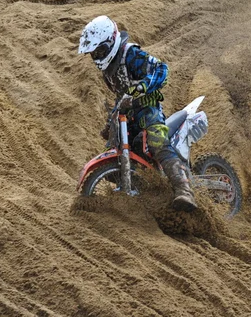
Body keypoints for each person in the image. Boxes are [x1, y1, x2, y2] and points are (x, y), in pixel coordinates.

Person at [78, 15, 197, 212]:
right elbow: (121, 96)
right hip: (129, 114)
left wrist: (142, 87)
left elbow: (161, 70)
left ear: (111, 41)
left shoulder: (130, 54)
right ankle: (142, 190)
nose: (97, 56)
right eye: (93, 53)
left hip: (148, 109)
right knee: (114, 145)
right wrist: (110, 122)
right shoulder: (108, 68)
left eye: (99, 50)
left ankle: (184, 190)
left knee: (157, 142)